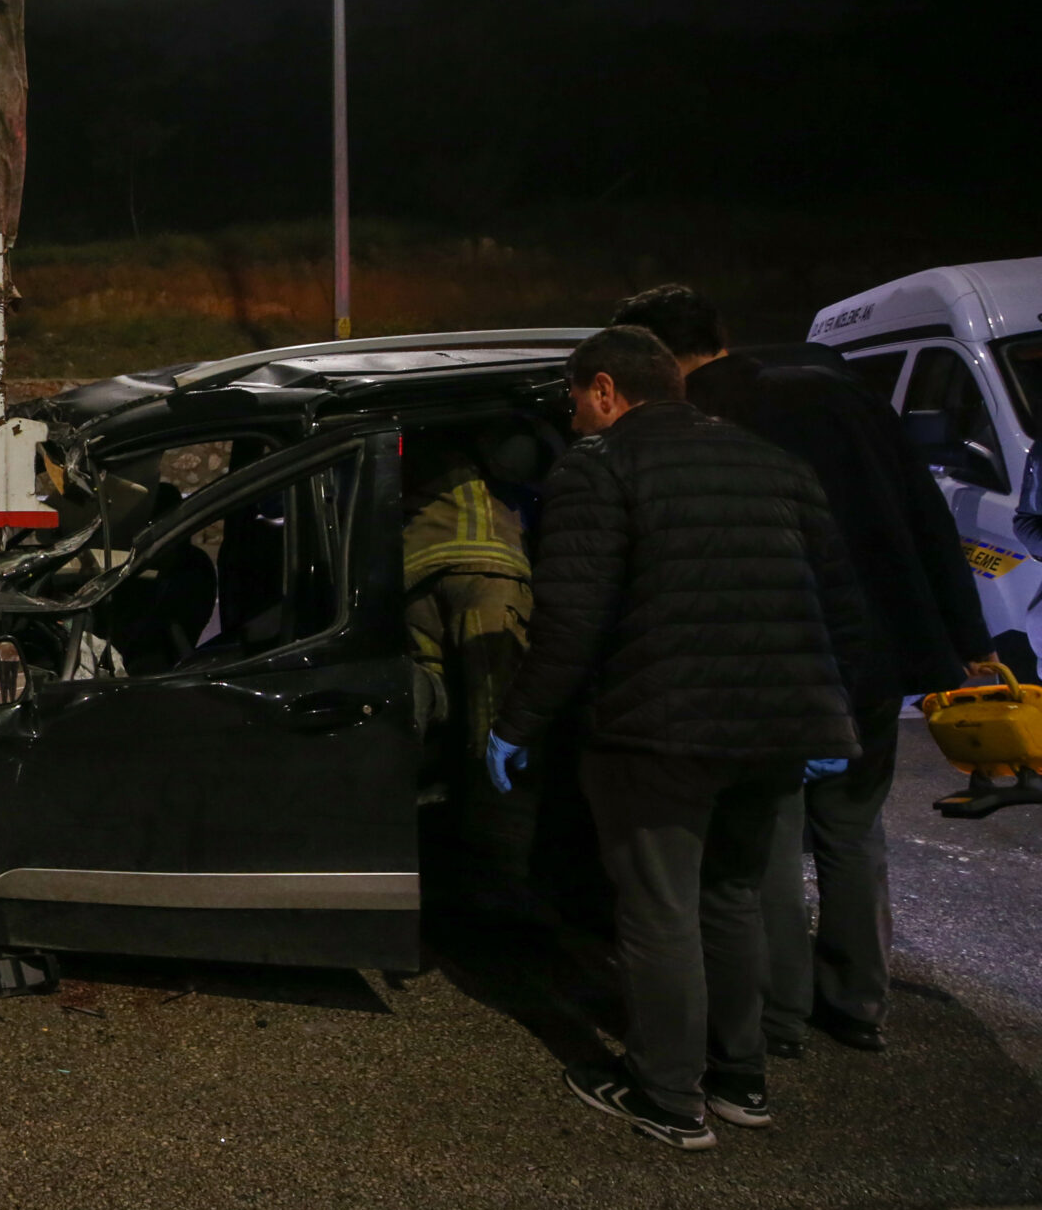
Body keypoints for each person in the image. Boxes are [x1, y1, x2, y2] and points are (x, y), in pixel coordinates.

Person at [490, 326, 867, 1150]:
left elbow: (571, 621)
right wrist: (836, 717)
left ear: (604, 389)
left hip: (657, 729)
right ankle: (740, 1080)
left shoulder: (598, 467)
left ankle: (667, 1096)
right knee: (731, 897)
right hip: (777, 727)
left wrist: (517, 723)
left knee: (659, 908)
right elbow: (839, 603)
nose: (573, 418)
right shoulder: (773, 463)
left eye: (574, 401)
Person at [611, 284, 991, 1055]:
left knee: (772, 839)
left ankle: (774, 1012)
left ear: (654, 355)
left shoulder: (702, 422)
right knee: (853, 827)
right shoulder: (839, 393)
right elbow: (926, 516)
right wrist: (966, 637)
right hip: (875, 652)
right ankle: (857, 1001)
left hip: (781, 657)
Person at [401, 427, 537, 901]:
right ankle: (499, 882)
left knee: (432, 715)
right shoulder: (485, 418)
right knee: (498, 724)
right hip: (486, 565)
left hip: (416, 568)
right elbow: (516, 461)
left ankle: (428, 864)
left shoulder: (409, 424)